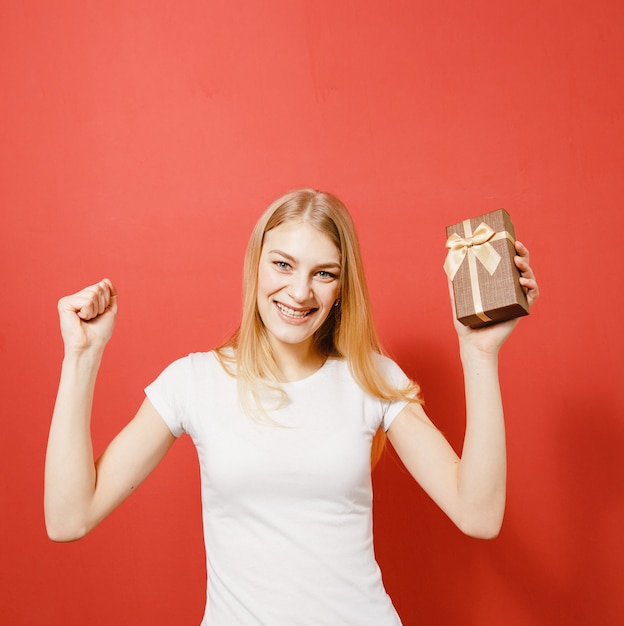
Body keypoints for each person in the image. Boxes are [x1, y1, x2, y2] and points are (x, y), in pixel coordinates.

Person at [45, 188, 539, 625]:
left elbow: (479, 514)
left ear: (343, 287)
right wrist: (81, 356)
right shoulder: (194, 381)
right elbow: (69, 518)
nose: (300, 292)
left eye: (324, 273)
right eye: (283, 264)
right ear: (255, 263)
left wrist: (479, 353)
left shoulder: (372, 378)